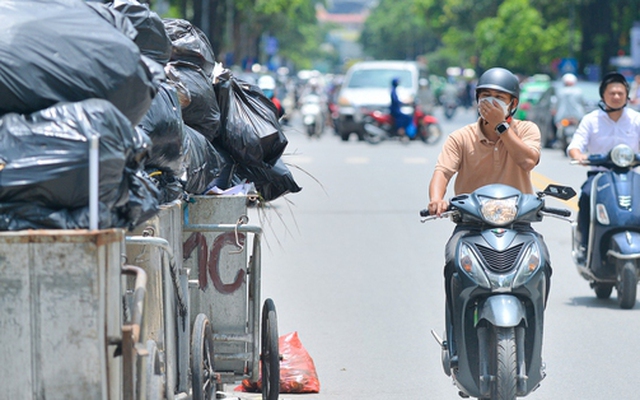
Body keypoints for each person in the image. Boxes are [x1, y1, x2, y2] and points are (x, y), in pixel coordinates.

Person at [427, 67, 548, 348]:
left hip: (518, 223)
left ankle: (534, 331)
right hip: (470, 225)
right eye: (485, 96)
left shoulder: (527, 130)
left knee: (542, 263)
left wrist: (502, 127)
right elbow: (442, 172)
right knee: (454, 267)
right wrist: (437, 198)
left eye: (499, 97)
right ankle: (455, 337)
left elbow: (528, 161)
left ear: (513, 104)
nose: (491, 103)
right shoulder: (460, 137)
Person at [567, 71, 640, 263]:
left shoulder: (636, 119)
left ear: (627, 96)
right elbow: (575, 145)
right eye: (612, 93)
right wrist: (579, 155)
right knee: (585, 196)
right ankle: (584, 243)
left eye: (620, 93)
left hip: (631, 176)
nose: (616, 97)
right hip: (600, 177)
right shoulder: (591, 119)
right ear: (603, 95)